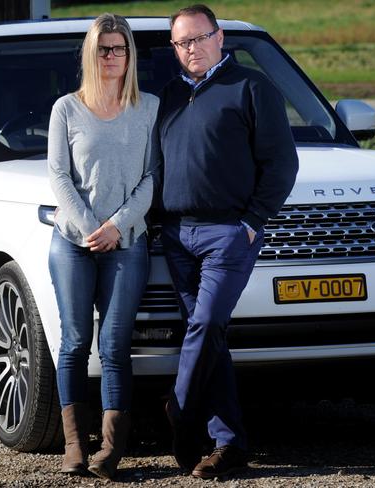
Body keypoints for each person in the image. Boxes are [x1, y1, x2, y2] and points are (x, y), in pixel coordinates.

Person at [155, 4, 299, 480]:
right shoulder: (170, 95)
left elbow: (282, 165)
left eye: (198, 38)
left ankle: (180, 409)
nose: (190, 49)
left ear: (220, 38)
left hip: (230, 233)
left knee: (206, 323)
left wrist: (252, 221)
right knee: (210, 336)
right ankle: (228, 444)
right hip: (178, 235)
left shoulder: (252, 88)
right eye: (181, 43)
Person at [47, 13, 159, 480]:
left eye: (120, 48)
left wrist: (116, 226)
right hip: (72, 243)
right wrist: (93, 226)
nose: (113, 56)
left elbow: (151, 177)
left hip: (128, 241)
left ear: (130, 55)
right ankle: (75, 443)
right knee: (74, 341)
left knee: (114, 345)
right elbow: (58, 175)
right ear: (91, 55)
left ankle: (111, 449)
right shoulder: (66, 109)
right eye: (104, 49)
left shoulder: (149, 107)